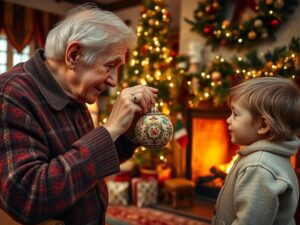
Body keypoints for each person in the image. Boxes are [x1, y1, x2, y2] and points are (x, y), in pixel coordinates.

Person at [0, 3, 158, 225]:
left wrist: (127, 132)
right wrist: (108, 129)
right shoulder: (11, 96)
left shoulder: (73, 90)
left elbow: (85, 165)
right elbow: (29, 198)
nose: (114, 81)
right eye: (110, 66)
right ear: (74, 55)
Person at [212, 76, 300, 225]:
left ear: (263, 125)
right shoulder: (270, 157)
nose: (228, 119)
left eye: (236, 114)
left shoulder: (259, 168)